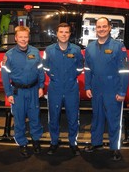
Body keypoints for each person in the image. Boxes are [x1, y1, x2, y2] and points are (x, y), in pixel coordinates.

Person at [84, 17, 129, 161]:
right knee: (97, 118)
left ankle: (115, 148)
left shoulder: (118, 47)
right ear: (95, 29)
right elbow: (87, 69)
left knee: (113, 119)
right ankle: (96, 143)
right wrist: (87, 86)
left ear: (110, 28)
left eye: (104, 26)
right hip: (96, 88)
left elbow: (124, 71)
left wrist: (122, 92)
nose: (101, 29)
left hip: (112, 89)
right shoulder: (90, 47)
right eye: (99, 27)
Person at [1, 26, 45, 158]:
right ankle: (22, 143)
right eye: (20, 37)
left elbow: (40, 71)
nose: (23, 40)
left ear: (28, 37)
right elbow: (5, 76)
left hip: (33, 90)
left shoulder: (35, 52)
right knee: (19, 119)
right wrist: (9, 94)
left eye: (25, 37)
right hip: (18, 92)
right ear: (15, 38)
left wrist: (41, 87)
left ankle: (36, 141)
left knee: (35, 117)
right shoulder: (8, 55)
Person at [42, 23, 84, 156]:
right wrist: (54, 76)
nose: (64, 34)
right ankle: (54, 142)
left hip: (72, 88)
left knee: (73, 117)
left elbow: (79, 67)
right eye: (61, 32)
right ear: (57, 33)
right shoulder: (49, 50)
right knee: (53, 117)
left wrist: (71, 77)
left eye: (67, 32)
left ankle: (73, 143)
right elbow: (46, 67)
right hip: (55, 88)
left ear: (70, 34)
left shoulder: (76, 50)